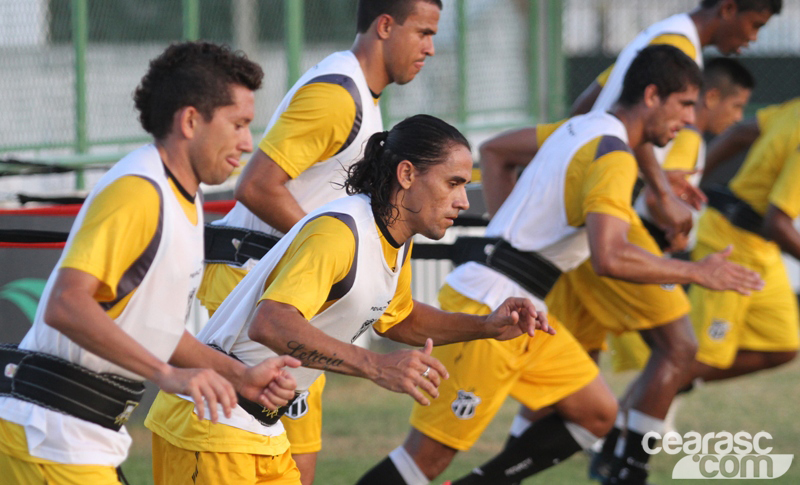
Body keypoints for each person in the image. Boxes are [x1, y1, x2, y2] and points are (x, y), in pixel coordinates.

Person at [355, 46, 763, 485]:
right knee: (424, 462)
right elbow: (610, 256)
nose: (688, 118)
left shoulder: (581, 129)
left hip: (523, 309)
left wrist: (513, 228)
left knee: (597, 413)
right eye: (684, 104)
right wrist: (697, 272)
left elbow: (497, 151)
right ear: (650, 96)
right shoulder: (614, 156)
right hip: (489, 303)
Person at [144, 114, 554, 485]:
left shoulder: (395, 234)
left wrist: (484, 326)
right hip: (209, 424)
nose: (464, 202)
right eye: (454, 183)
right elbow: (270, 323)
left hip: (259, 427)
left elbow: (400, 319)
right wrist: (375, 365)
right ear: (407, 174)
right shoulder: (340, 232)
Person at [0, 42, 301, 484]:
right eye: (238, 124)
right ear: (191, 120)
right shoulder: (139, 191)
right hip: (50, 436)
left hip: (76, 438)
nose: (247, 142)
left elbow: (154, 328)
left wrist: (240, 377)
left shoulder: (185, 197)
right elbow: (65, 305)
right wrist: (168, 376)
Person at [198, 0, 442, 484]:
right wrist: (339, 256)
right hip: (255, 292)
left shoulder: (364, 102)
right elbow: (258, 186)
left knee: (296, 473)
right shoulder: (339, 96)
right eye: (423, 33)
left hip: (300, 300)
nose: (431, 49)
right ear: (384, 26)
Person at [572, 0, 781, 243]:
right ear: (728, 9)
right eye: (755, 25)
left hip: (592, 196)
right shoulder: (677, 49)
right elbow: (641, 120)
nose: (753, 37)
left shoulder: (661, 34)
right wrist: (662, 192)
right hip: (607, 200)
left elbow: (586, 102)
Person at [602, 58, 755, 375]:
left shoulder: (677, 136)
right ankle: (646, 424)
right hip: (643, 246)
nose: (738, 117)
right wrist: (678, 225)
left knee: (662, 355)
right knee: (679, 350)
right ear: (711, 98)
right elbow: (661, 197)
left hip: (636, 242)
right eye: (737, 106)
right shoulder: (689, 138)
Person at [684, 96, 800, 392]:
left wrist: (693, 179)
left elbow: (739, 134)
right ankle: (630, 422)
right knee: (697, 355)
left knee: (782, 347)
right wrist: (689, 185)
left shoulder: (792, 110)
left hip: (762, 248)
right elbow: (779, 222)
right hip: (730, 243)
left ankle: (673, 386)